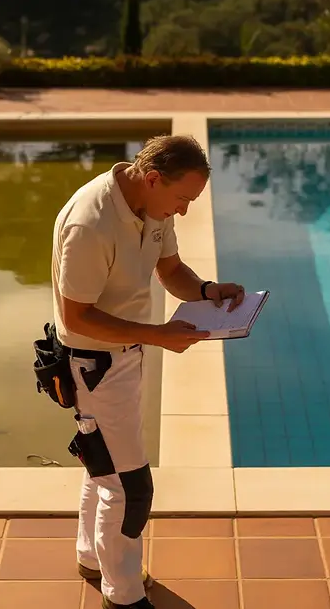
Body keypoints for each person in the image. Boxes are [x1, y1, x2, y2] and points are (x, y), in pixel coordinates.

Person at [49, 135, 245, 609]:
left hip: (125, 353)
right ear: (154, 178)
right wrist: (158, 334)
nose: (182, 212)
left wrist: (207, 290)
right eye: (182, 200)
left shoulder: (151, 207)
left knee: (105, 465)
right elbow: (77, 317)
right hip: (93, 363)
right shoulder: (89, 222)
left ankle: (92, 560)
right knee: (131, 486)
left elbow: (170, 267)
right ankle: (123, 595)